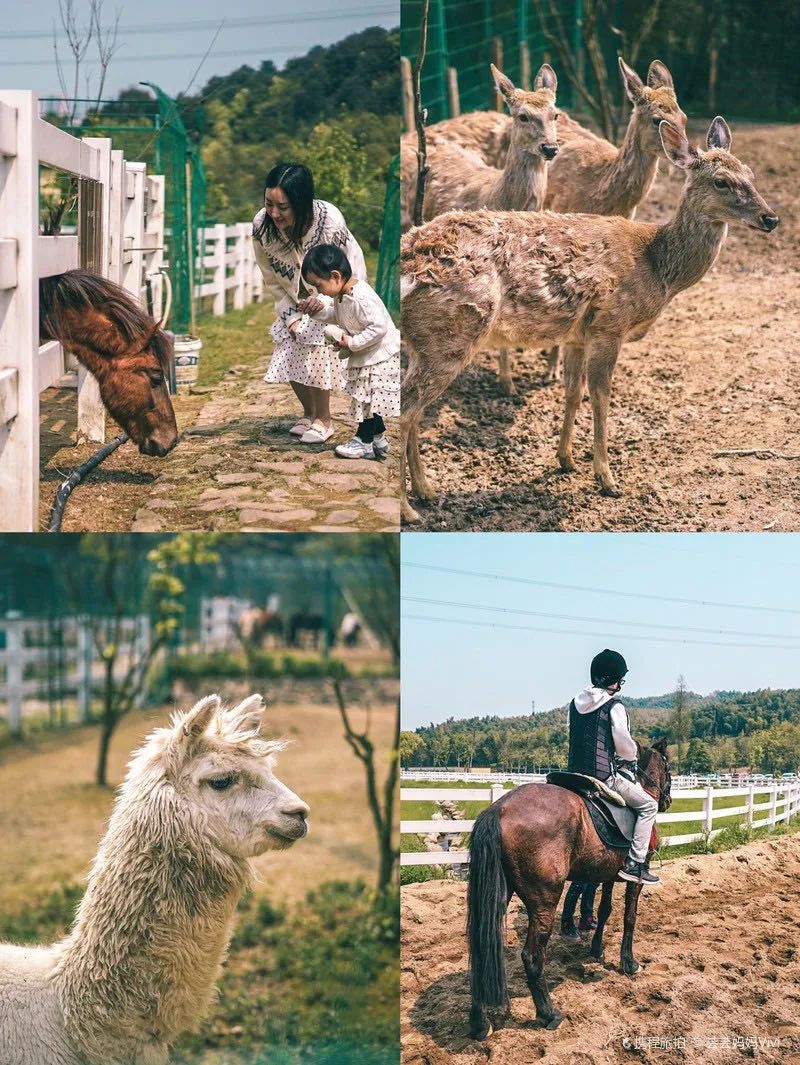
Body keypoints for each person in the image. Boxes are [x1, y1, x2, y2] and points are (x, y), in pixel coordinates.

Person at [252, 162, 367, 444]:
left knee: (315, 338)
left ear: (301, 202)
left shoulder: (328, 221)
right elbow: (271, 278)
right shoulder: (261, 227)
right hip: (296, 299)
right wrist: (290, 316)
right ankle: (309, 412)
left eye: (283, 207)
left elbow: (342, 272)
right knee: (287, 340)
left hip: (340, 293)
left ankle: (324, 420)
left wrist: (325, 305)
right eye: (269, 204)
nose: (274, 213)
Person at [297, 243, 400, 460]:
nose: (319, 291)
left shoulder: (361, 297)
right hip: (369, 355)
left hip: (379, 356)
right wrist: (317, 312)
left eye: (319, 285)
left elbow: (378, 327)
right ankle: (378, 437)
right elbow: (339, 315)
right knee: (367, 399)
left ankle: (363, 441)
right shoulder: (342, 294)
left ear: (335, 276)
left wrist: (352, 343)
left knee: (366, 399)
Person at [567, 649, 660, 886]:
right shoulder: (614, 706)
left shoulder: (574, 704)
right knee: (649, 805)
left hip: (572, 776)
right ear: (612, 680)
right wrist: (631, 755)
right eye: (620, 679)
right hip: (602, 777)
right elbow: (624, 747)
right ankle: (635, 863)